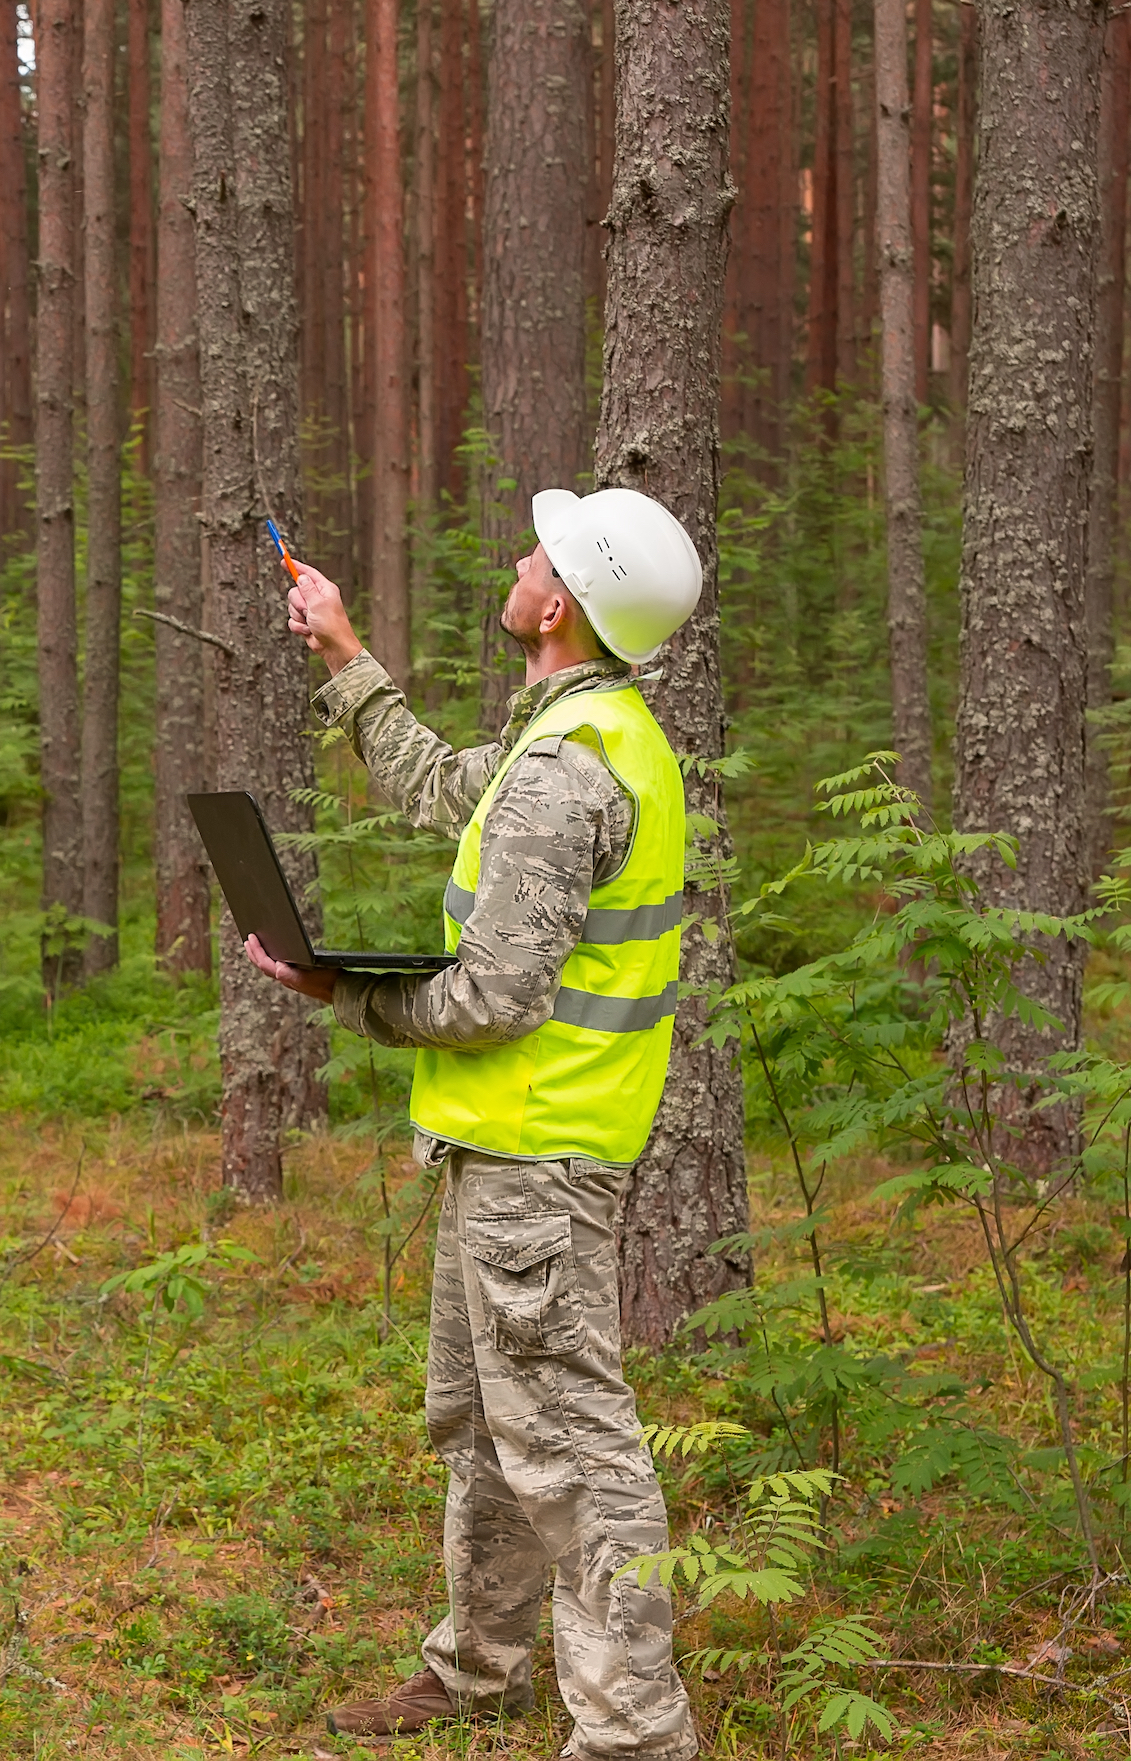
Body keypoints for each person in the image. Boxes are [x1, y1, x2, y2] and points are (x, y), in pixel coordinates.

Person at [247, 486, 705, 1759]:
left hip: (539, 1157)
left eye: (539, 553)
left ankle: (633, 1736)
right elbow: (453, 789)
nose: (517, 557)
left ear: (557, 605)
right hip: (506, 1150)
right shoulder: (567, 736)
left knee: (571, 1446)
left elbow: (497, 993)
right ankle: (480, 1668)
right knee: (489, 1427)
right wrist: (344, 655)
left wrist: (350, 993)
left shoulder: (573, 767)